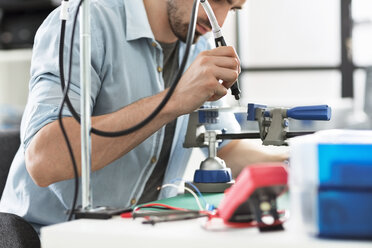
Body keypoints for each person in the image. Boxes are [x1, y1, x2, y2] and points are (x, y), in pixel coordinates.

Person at [0, 0, 287, 231]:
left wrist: (301, 160)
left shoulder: (198, 46)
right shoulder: (83, 23)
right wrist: (174, 100)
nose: (220, 21)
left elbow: (227, 149)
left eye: (233, 8)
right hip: (52, 235)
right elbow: (45, 161)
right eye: (216, 1)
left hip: (135, 233)